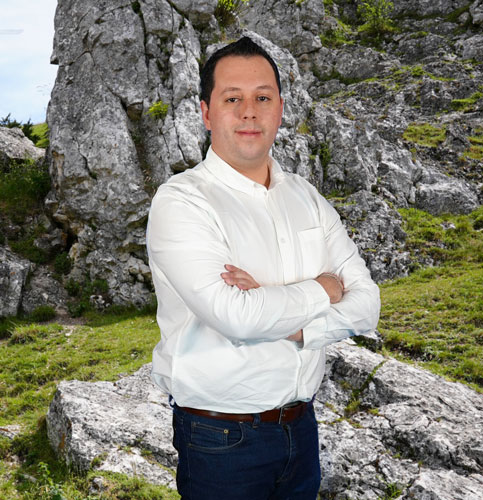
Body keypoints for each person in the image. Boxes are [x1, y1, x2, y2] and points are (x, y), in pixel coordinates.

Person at [146, 36, 380, 500]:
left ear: (279, 107)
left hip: (302, 429)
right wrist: (322, 287)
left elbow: (367, 305)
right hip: (220, 442)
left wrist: (294, 327)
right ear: (206, 112)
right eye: (232, 98)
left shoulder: (306, 198)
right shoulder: (182, 201)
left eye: (262, 97)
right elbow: (235, 317)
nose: (249, 111)